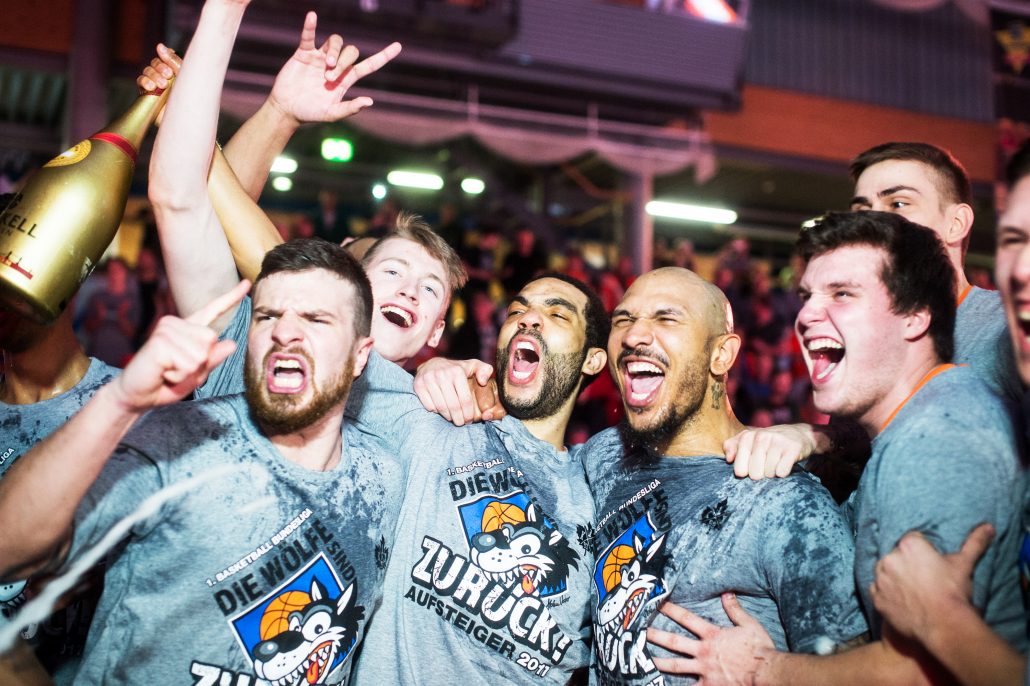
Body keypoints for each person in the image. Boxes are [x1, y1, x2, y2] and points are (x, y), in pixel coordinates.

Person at [647, 212, 1027, 685]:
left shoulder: (935, 443)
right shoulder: (922, 418)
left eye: (842, 294)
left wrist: (759, 669)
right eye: (807, 296)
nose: (806, 316)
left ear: (915, 316)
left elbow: (918, 673)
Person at [0, 238, 401, 683]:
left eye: (315, 318)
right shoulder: (176, 443)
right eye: (267, 316)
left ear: (360, 355)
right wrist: (120, 401)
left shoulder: (382, 474)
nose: (284, 332)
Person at [580, 267, 867, 684]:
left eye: (666, 318)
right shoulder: (603, 455)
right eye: (623, 319)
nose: (633, 335)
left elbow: (858, 671)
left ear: (722, 355)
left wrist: (766, 673)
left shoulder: (784, 502)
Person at [850, 141, 1022, 406]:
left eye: (898, 203)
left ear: (956, 224)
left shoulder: (1006, 328)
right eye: (861, 211)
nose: (871, 222)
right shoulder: (859, 335)